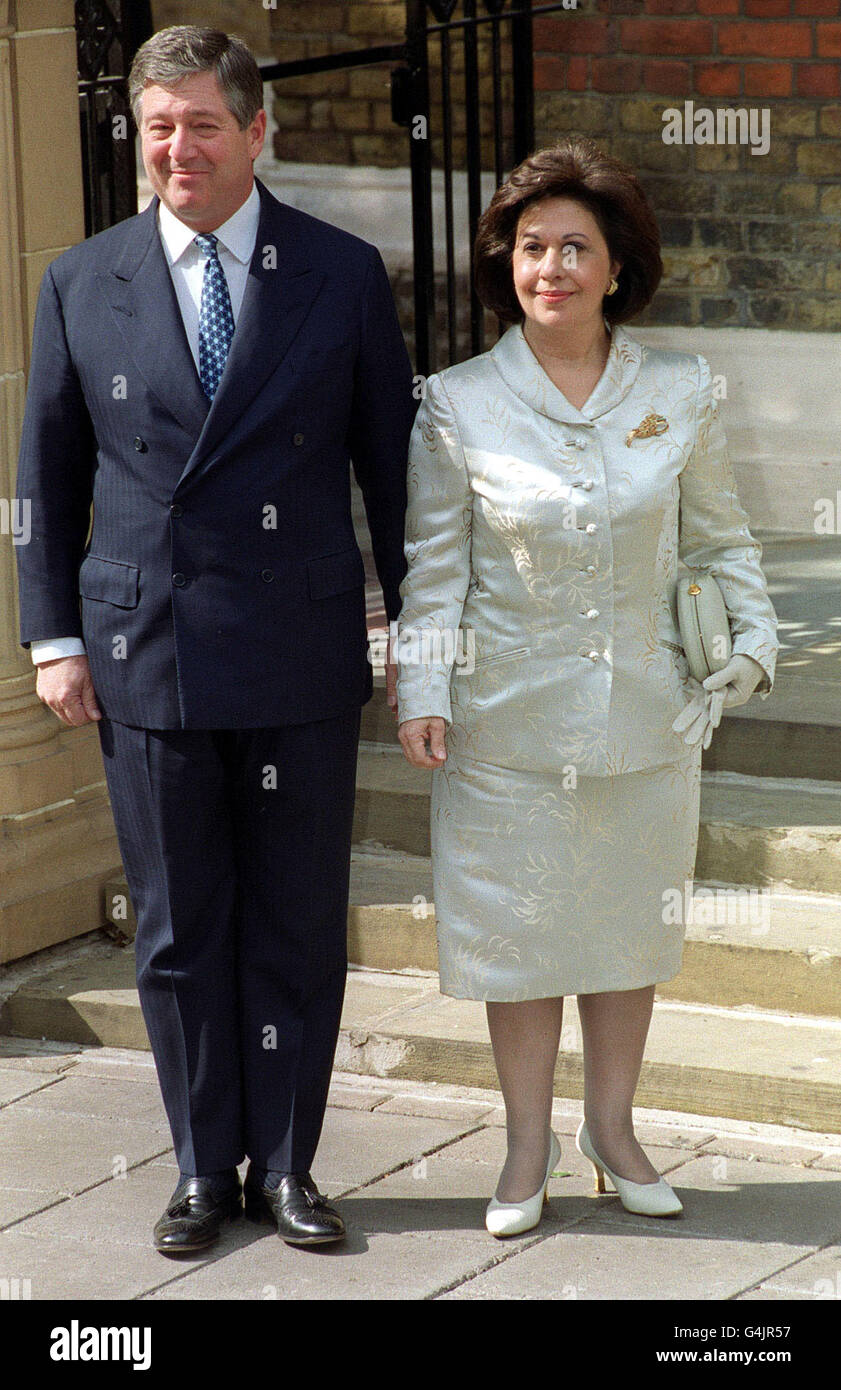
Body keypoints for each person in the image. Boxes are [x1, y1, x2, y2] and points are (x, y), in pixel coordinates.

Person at [15, 26, 416, 1253]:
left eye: (200, 123)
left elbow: (393, 478)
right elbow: (46, 469)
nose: (176, 148)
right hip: (146, 652)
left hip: (296, 648)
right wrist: (51, 638)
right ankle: (201, 1166)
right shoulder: (85, 279)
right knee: (182, 928)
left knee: (295, 915)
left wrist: (422, 640)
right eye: (157, 128)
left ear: (257, 131)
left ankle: (288, 1165)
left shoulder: (341, 274)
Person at [395, 138, 778, 1237]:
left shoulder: (682, 391)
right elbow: (435, 569)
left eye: (574, 247)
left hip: (646, 720)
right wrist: (423, 688)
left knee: (620, 933)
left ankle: (614, 1133)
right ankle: (525, 1147)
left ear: (617, 268)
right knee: (519, 940)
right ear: (504, 265)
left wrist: (749, 643)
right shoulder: (457, 404)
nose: (550, 266)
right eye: (530, 247)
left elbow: (719, 542)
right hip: (502, 727)